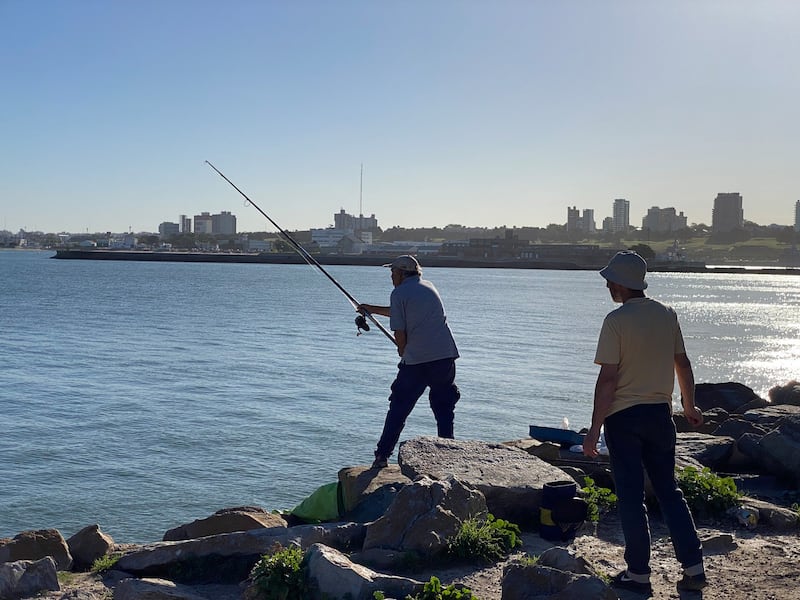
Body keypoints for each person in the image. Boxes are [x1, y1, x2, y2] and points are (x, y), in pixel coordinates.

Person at [582, 251, 707, 595]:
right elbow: (682, 362)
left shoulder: (616, 321)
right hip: (659, 415)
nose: (607, 283)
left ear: (621, 283)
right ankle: (694, 568)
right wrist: (689, 404)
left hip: (624, 420)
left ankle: (638, 574)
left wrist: (594, 430)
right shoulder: (666, 314)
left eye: (610, 279)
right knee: (669, 491)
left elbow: (608, 381)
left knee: (631, 497)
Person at [358, 255, 460, 469]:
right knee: (443, 407)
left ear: (402, 273)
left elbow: (400, 332)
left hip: (417, 361)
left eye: (393, 273)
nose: (391, 277)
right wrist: (372, 309)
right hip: (445, 356)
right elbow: (406, 311)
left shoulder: (398, 293)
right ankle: (448, 455)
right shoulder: (428, 286)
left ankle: (382, 457)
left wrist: (402, 350)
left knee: (398, 408)